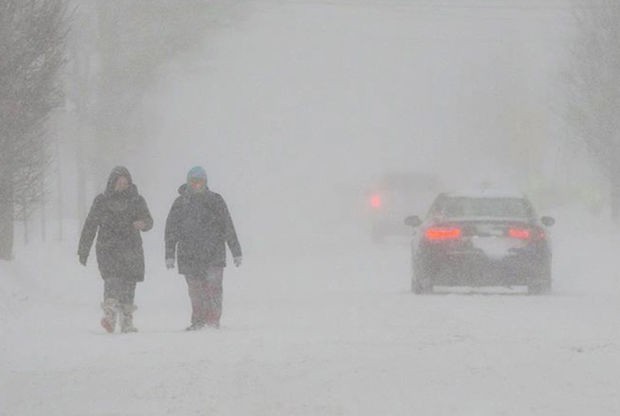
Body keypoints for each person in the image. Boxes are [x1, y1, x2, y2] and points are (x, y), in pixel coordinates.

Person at [165, 166, 242, 330]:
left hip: (214, 254)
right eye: (194, 181)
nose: (197, 185)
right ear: (188, 182)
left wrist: (236, 251)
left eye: (200, 181)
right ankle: (198, 321)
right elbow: (171, 230)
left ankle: (213, 320)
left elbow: (227, 226)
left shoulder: (216, 201)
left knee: (213, 289)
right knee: (195, 291)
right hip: (189, 255)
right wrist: (169, 254)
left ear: (206, 182)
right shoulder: (180, 203)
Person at [78, 166, 153, 333]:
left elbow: (149, 220)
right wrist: (83, 249)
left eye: (125, 183)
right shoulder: (102, 201)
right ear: (112, 183)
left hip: (131, 248)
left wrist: (144, 224)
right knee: (112, 281)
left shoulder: (137, 200)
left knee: (129, 283)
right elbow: (90, 225)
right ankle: (110, 316)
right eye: (119, 182)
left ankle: (127, 320)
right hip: (108, 248)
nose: (122, 186)